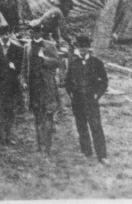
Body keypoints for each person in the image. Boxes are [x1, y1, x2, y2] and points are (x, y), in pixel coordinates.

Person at [64, 35, 109, 165]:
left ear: (89, 48)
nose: (82, 50)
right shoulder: (74, 63)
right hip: (78, 100)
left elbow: (104, 82)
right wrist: (71, 94)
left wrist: (97, 95)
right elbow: (68, 81)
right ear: (78, 48)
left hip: (91, 100)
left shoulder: (97, 62)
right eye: (80, 47)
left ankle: (102, 155)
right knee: (81, 125)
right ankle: (86, 151)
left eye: (85, 47)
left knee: (96, 126)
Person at [23, 24, 63, 155]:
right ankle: (39, 144)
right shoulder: (27, 47)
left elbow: (57, 62)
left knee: (48, 116)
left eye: (38, 32)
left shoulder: (50, 45)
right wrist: (23, 81)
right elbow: (24, 66)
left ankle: (47, 147)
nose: (35, 34)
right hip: (34, 88)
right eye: (33, 32)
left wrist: (43, 58)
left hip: (47, 87)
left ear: (41, 32)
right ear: (30, 33)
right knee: (37, 116)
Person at [0, 25, 23, 146]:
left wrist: (14, 67)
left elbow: (22, 68)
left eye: (7, 33)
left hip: (12, 87)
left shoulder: (18, 50)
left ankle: (8, 137)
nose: (5, 36)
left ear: (10, 34)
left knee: (10, 112)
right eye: (3, 35)